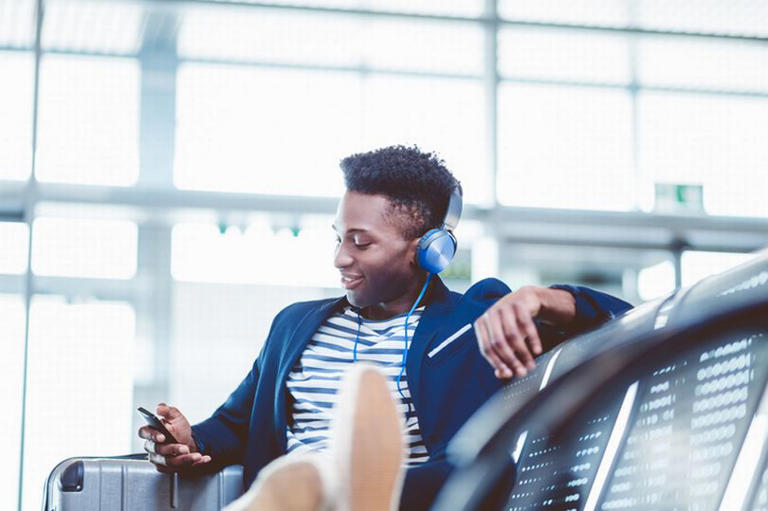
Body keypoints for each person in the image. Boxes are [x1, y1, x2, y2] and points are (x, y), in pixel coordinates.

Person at [138, 145, 632, 510]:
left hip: (407, 500)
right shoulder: (294, 326)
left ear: (430, 249)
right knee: (299, 480)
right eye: (338, 237)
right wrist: (190, 440)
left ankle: (343, 483)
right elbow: (235, 425)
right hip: (288, 494)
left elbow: (628, 324)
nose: (340, 258)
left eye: (361, 242)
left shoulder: (474, 322)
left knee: (326, 481)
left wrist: (549, 299)